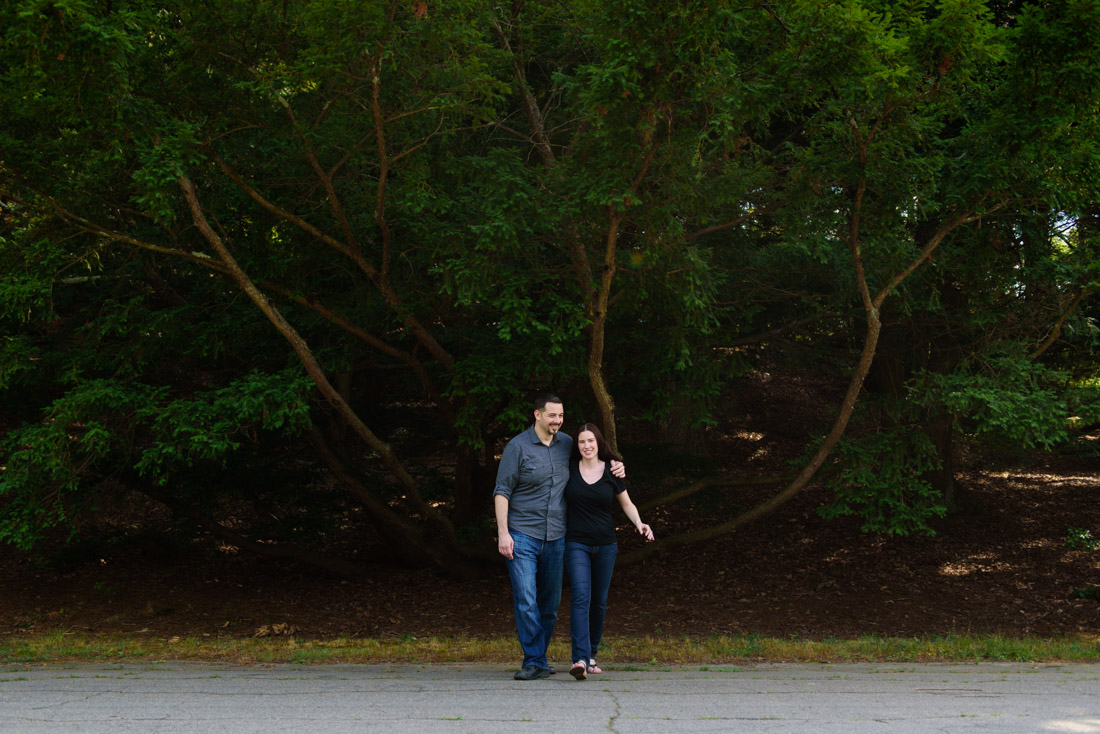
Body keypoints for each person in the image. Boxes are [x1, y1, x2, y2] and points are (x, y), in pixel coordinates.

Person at [494, 394, 625, 681]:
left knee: (550, 605)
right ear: (537, 415)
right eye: (552, 415)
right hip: (522, 534)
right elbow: (502, 491)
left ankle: (540, 659)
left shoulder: (568, 444)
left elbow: (595, 458)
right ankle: (534, 659)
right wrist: (503, 533)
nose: (557, 420)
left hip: (557, 536)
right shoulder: (517, 447)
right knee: (526, 598)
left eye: (561, 415)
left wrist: (617, 466)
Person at [564, 423, 654, 681]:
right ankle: (579, 658)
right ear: (577, 446)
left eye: (591, 441)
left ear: (598, 442)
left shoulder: (612, 471)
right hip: (576, 543)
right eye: (582, 442)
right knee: (581, 596)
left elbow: (627, 503)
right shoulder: (569, 469)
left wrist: (639, 524)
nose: (587, 446)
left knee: (599, 601)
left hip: (605, 545)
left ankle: (591, 655)